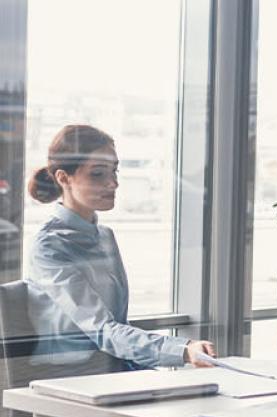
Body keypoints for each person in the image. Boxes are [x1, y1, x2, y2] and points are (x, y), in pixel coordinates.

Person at [26, 124, 216, 371]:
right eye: (98, 174)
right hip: (73, 377)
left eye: (114, 171)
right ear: (64, 178)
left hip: (116, 368)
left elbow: (117, 325)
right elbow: (102, 329)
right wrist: (181, 350)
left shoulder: (105, 236)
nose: (113, 183)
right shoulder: (48, 247)